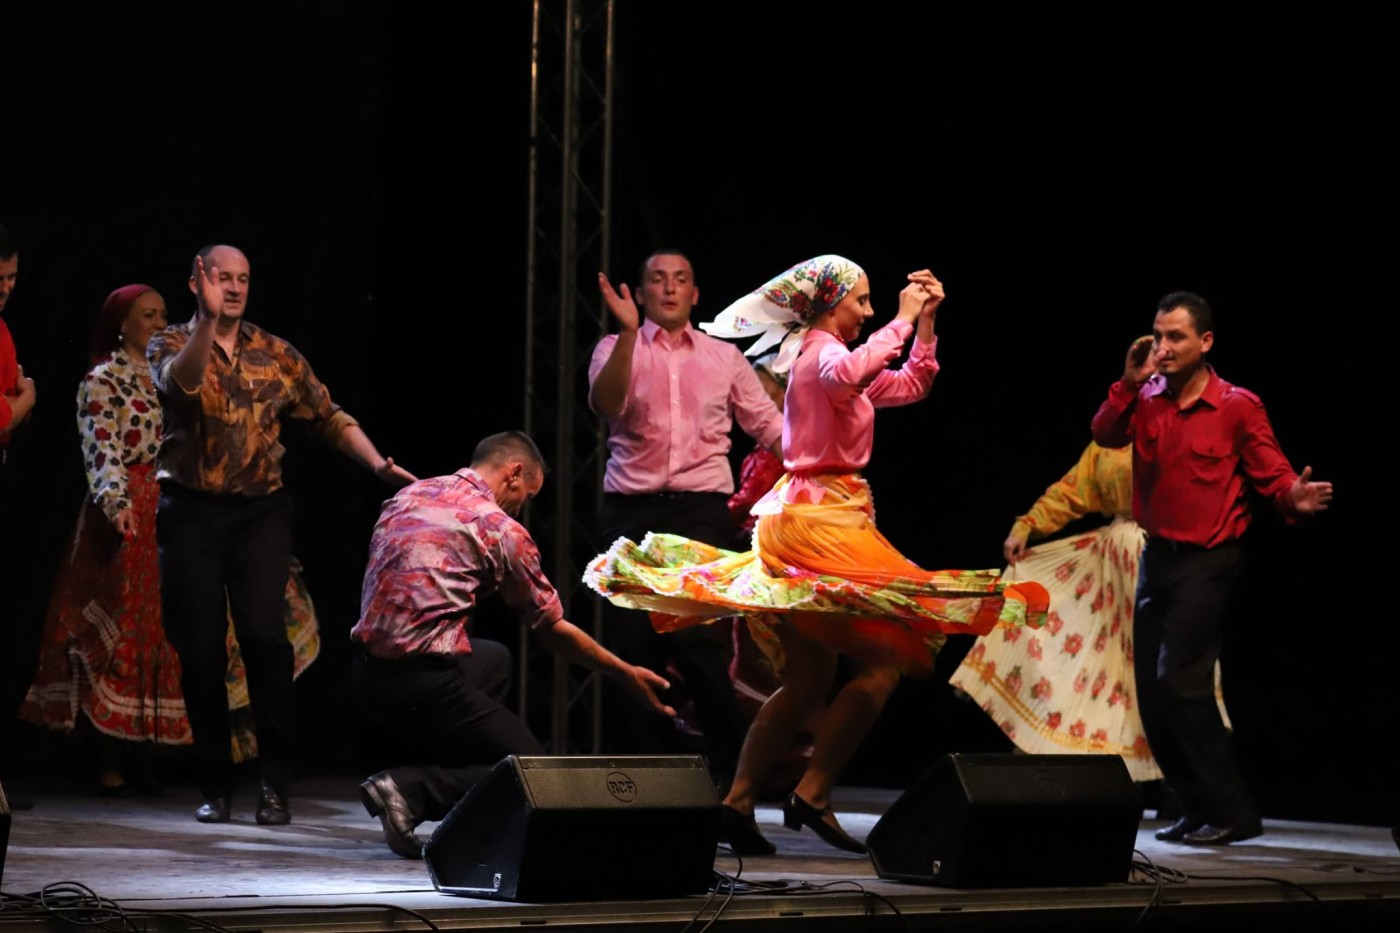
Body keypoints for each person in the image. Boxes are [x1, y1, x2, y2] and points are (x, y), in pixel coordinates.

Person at [586, 256, 1047, 855]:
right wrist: (904, 319)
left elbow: (911, 384)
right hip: (818, 524)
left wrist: (927, 322)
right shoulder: (821, 355)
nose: (870, 310)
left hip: (822, 515)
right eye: (862, 300)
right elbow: (851, 371)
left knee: (808, 680)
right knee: (883, 666)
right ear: (831, 304)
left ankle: (740, 802)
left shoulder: (830, 359)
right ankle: (812, 791)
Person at [149, 244, 415, 826]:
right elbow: (182, 387)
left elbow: (327, 415)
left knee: (265, 640)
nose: (234, 288)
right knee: (200, 650)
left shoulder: (276, 352)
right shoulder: (169, 343)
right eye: (223, 278)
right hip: (191, 514)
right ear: (196, 283)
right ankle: (215, 785)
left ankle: (274, 784)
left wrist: (376, 465)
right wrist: (207, 323)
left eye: (243, 279)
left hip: (259, 515)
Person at [20, 285, 320, 793]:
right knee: (126, 636)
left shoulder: (177, 367)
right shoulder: (103, 380)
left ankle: (159, 758)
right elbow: (101, 449)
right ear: (121, 324)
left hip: (182, 506)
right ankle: (112, 760)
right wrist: (115, 504)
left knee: (181, 633)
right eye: (147, 315)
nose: (158, 322)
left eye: (162, 314)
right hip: (128, 514)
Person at [350, 431, 674, 859]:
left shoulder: (409, 495)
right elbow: (550, 628)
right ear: (514, 474)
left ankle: (457, 785)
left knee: (494, 659)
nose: (522, 507)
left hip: (366, 673)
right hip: (425, 681)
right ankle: (410, 789)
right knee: (535, 776)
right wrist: (625, 672)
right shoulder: (500, 528)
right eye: (528, 496)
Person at [1091, 290, 1332, 845]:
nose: (1163, 346)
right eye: (1158, 335)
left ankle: (1233, 812)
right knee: (1151, 695)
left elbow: (1273, 473)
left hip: (1210, 560)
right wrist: (1128, 382)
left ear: (1205, 342)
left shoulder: (1236, 406)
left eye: (1175, 336)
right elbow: (1104, 433)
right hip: (1157, 557)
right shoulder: (1147, 397)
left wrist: (1294, 497)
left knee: (1181, 683)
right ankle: (1197, 807)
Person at [590, 249, 783, 790]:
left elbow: (769, 426)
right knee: (633, 651)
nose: (669, 288)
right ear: (641, 293)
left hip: (699, 511)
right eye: (658, 279)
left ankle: (731, 788)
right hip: (630, 513)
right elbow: (606, 404)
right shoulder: (614, 346)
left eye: (680, 280)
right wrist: (629, 334)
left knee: (702, 648)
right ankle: (639, 789)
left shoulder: (724, 357)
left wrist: (824, 466)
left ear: (695, 294)